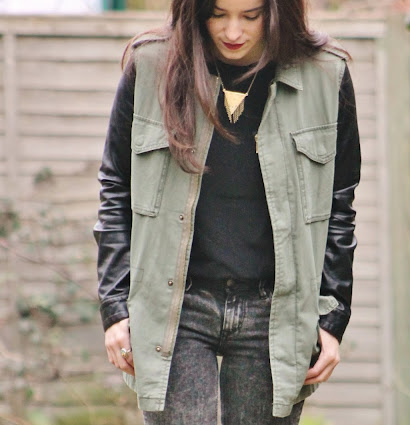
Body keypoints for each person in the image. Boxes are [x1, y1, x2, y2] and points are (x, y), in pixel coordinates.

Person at [93, 0, 361, 423]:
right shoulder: (150, 67)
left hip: (275, 314)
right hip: (175, 310)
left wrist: (333, 317)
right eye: (218, 14)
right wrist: (114, 307)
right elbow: (115, 189)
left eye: (251, 16)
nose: (233, 31)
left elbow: (340, 204)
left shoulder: (325, 76)